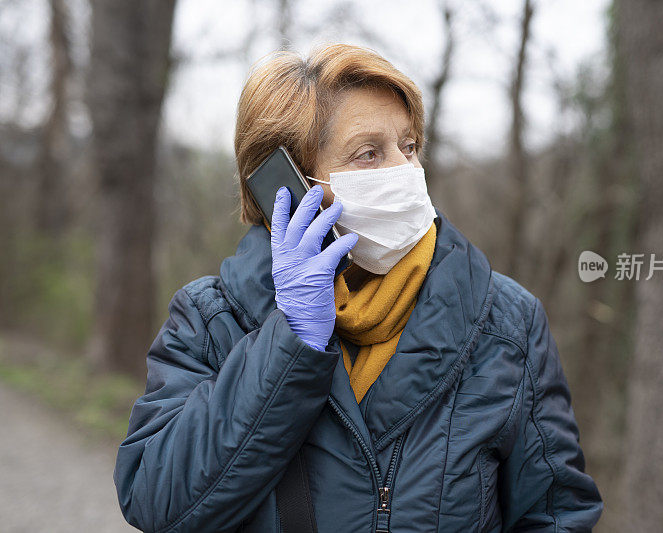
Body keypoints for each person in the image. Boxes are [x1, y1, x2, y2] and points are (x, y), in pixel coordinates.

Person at [113, 43, 603, 533]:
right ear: (285, 187)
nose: (406, 172)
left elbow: (558, 517)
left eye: (408, 146)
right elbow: (157, 503)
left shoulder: (508, 322)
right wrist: (289, 344)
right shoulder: (210, 320)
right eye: (369, 153)